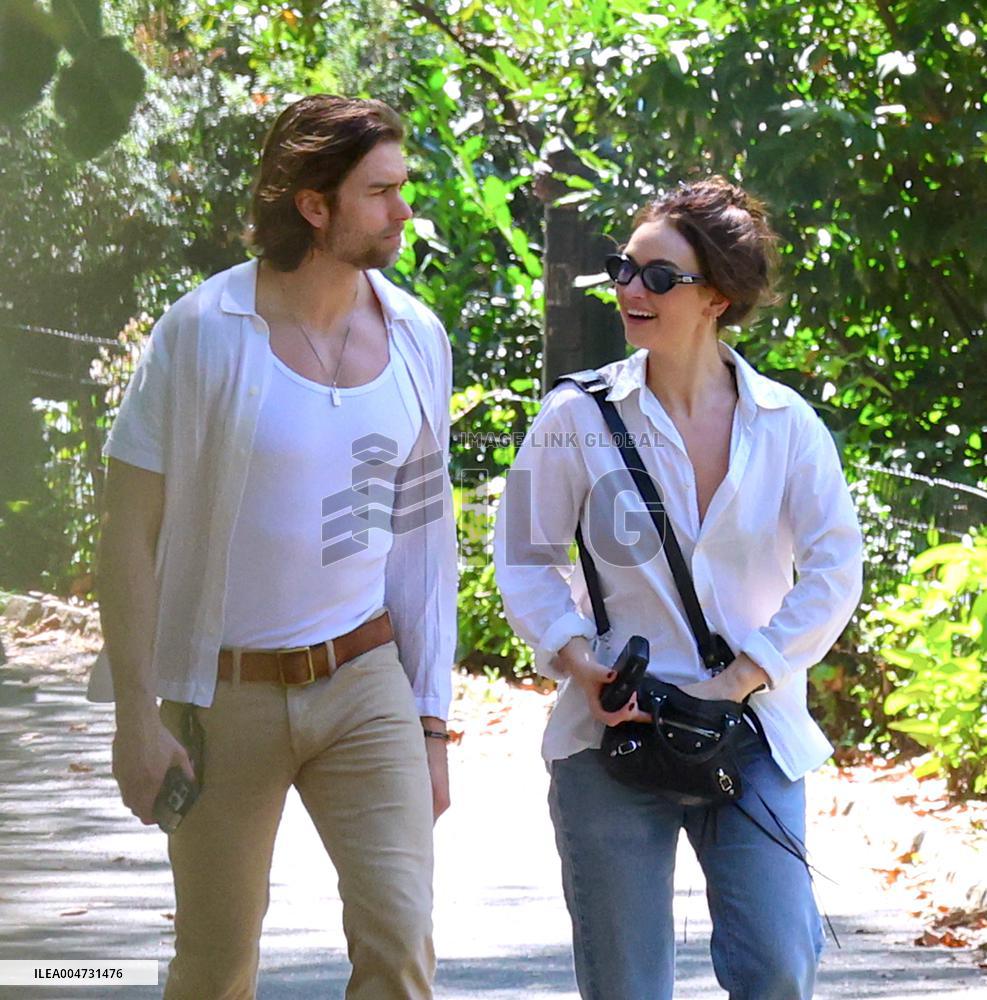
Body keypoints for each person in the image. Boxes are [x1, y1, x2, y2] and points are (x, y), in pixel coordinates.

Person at [95, 94, 458, 1000]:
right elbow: (126, 534)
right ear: (313, 204)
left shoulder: (416, 336)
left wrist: (431, 721)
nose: (401, 210)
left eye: (401, 188)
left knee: (401, 943)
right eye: (379, 193)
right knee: (216, 966)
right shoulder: (205, 333)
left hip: (364, 677)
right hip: (226, 692)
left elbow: (421, 544)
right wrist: (136, 717)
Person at [493, 176, 863, 1000]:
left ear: (717, 297)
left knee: (776, 966)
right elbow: (520, 553)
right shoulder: (575, 417)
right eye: (624, 268)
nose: (630, 288)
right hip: (612, 735)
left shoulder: (784, 424)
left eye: (658, 276)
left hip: (750, 730)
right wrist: (577, 659)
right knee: (626, 984)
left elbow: (836, 566)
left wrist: (744, 673)